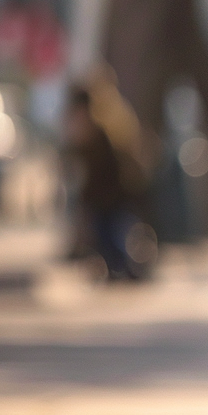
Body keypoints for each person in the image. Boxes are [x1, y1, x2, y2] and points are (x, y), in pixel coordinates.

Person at [62, 71, 152, 280]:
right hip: (108, 193)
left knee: (113, 235)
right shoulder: (108, 118)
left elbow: (106, 165)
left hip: (114, 192)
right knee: (108, 235)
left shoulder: (101, 126)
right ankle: (119, 269)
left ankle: (125, 269)